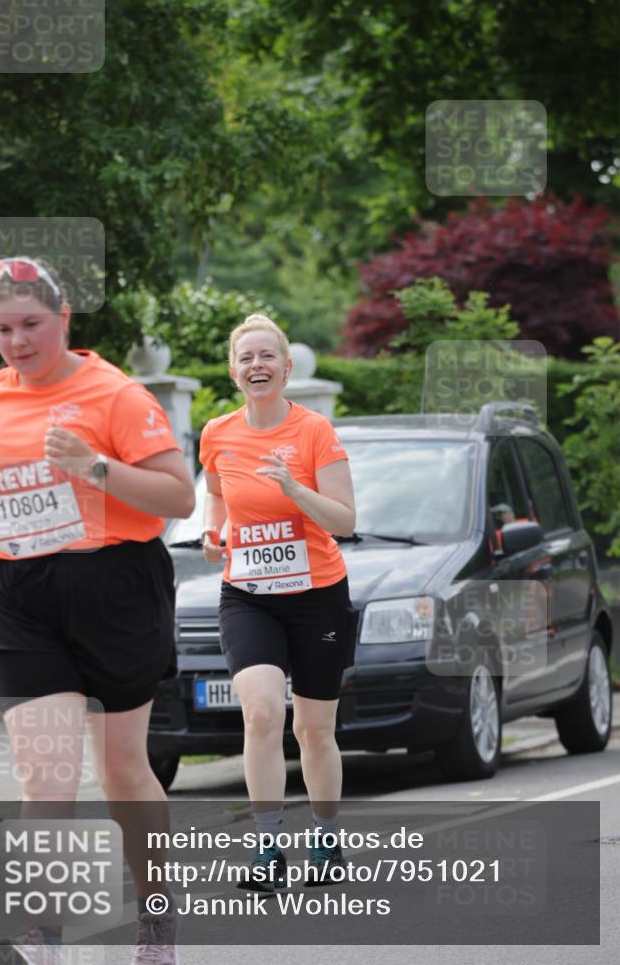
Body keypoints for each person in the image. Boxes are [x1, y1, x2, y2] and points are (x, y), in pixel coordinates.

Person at [0, 257, 195, 965]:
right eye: (2, 328)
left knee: (122, 770)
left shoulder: (113, 394)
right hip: (16, 588)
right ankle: (43, 936)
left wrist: (93, 466)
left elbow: (177, 498)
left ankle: (156, 921)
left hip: (112, 584)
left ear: (64, 318)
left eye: (31, 324)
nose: (17, 341)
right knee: (46, 772)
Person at [200, 313, 357, 890]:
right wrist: (214, 533)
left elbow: (345, 520)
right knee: (262, 711)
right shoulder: (216, 433)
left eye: (267, 357)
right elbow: (217, 500)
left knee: (314, 729)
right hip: (248, 595)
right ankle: (266, 848)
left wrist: (294, 489)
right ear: (234, 371)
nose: (256, 365)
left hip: (317, 594)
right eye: (246, 358)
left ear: (286, 369)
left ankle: (324, 835)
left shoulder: (315, 431)